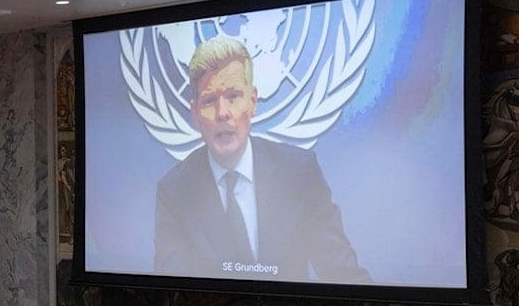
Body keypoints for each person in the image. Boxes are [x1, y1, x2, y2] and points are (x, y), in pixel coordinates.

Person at [153, 35, 369, 281]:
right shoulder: (175, 190)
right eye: (210, 100)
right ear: (194, 112)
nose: (223, 113)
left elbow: (342, 272)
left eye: (233, 96)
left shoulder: (299, 172)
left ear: (252, 101)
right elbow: (172, 289)